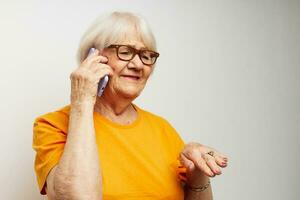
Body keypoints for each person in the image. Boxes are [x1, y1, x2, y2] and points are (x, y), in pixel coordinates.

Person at [32, 11, 229, 200]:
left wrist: (199, 175)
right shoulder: (53, 125)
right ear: (93, 57)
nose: (138, 64)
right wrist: (82, 101)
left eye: (146, 55)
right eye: (125, 52)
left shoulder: (163, 129)